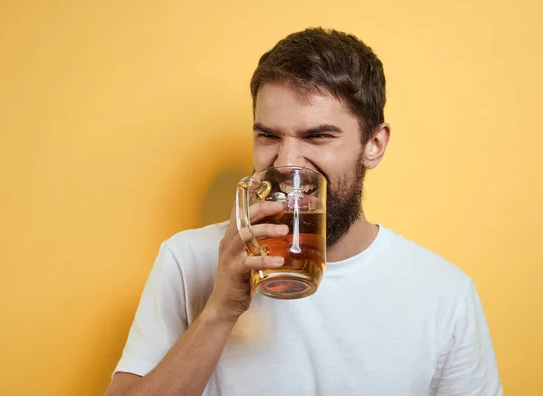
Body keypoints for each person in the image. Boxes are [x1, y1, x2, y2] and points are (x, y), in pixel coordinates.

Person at [105, 27, 502, 396]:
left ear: (374, 145)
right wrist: (220, 311)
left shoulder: (445, 294)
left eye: (318, 136)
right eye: (268, 135)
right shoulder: (186, 259)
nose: (288, 162)